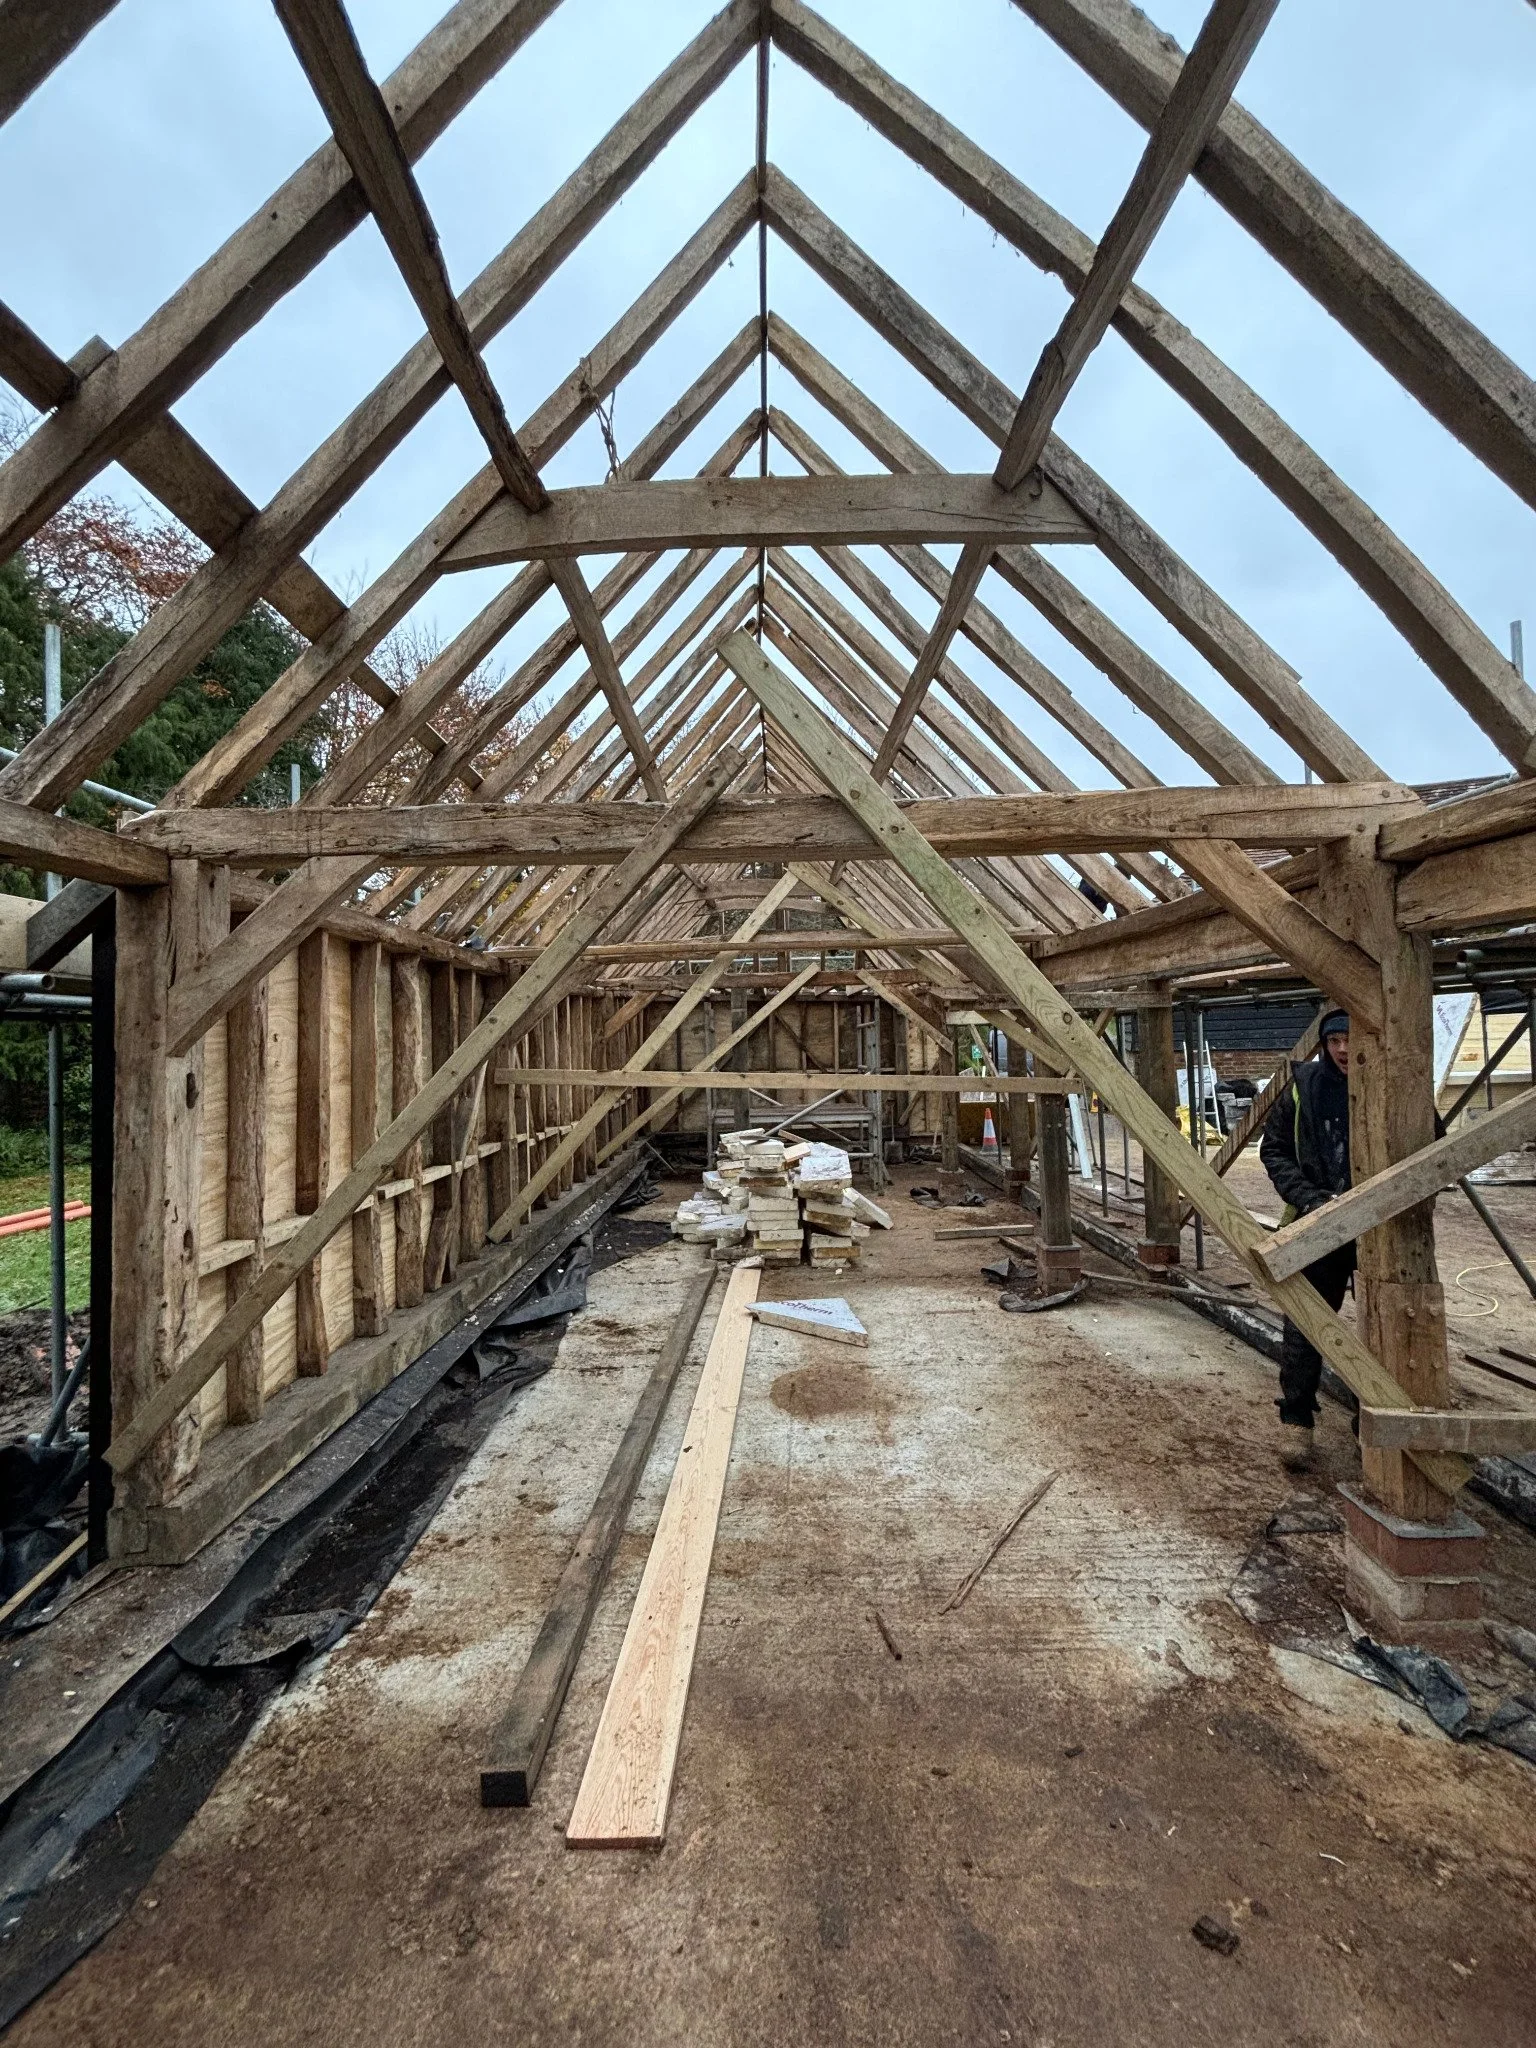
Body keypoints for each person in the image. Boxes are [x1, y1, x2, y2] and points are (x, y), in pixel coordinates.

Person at [1259, 1010, 1353, 1474]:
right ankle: (1297, 1418)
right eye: (1334, 1039)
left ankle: (1373, 1422)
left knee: (1389, 1326)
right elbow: (1272, 1149)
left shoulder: (1397, 1085)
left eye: (1351, 1039)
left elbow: (1431, 1143)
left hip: (1382, 1227)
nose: (1343, 1049)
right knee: (1305, 1322)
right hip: (1315, 1220)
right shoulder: (1305, 1088)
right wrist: (1310, 1199)